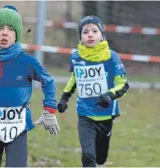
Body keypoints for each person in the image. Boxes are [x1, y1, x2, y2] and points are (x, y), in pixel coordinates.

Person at [0, 5, 60, 167]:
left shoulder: (27, 62)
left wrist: (49, 111)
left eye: (11, 29)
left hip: (18, 128)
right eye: (0, 28)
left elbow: (48, 81)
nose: (5, 32)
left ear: (17, 35)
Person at [57, 15, 129, 167]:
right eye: (85, 32)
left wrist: (109, 95)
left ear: (102, 35)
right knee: (88, 154)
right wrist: (64, 98)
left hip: (106, 115)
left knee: (100, 158)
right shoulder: (76, 57)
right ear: (80, 37)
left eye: (94, 31)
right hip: (85, 114)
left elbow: (123, 84)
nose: (90, 34)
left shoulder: (111, 57)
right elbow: (74, 78)